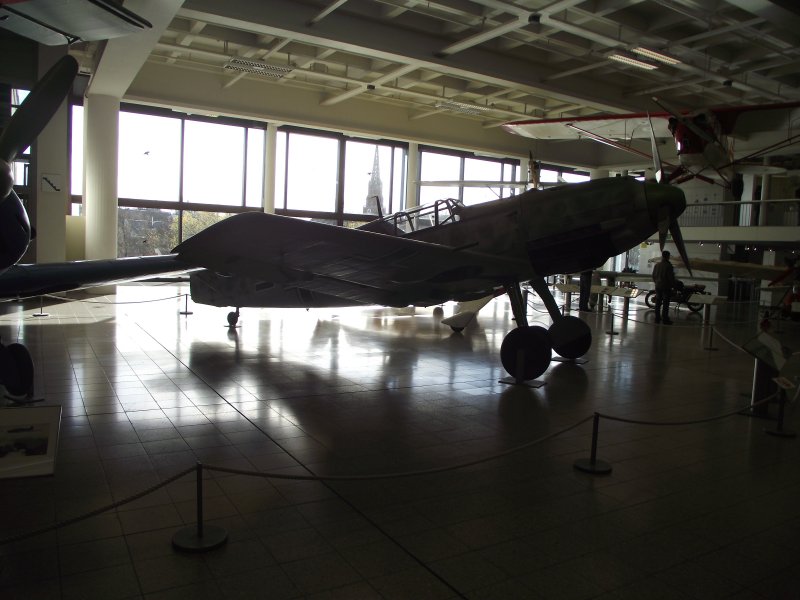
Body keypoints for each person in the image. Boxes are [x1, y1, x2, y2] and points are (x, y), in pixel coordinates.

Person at [652, 250, 675, 324]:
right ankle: (665, 319)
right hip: (666, 287)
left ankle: (657, 318)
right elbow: (670, 277)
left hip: (658, 286)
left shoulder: (657, 265)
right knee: (665, 303)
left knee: (658, 302)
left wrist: (656, 282)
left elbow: (653, 276)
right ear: (668, 256)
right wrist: (672, 285)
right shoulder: (668, 266)